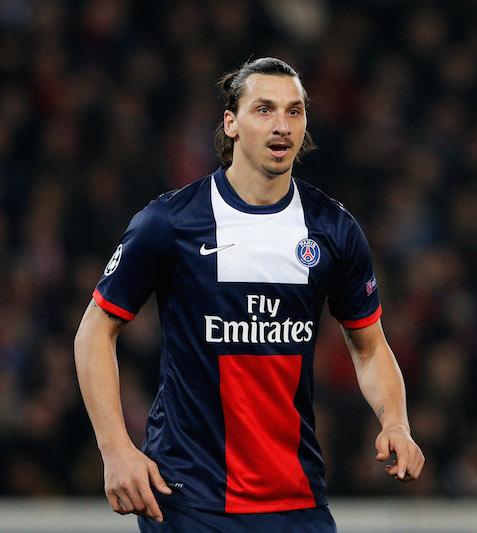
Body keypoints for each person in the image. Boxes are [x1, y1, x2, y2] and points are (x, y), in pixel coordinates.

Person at [74, 57, 424, 532]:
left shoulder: (333, 229)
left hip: (296, 500)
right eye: (264, 109)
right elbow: (95, 332)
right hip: (189, 500)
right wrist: (115, 449)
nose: (282, 125)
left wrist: (396, 422)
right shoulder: (171, 223)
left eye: (294, 111)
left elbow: (369, 347)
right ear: (231, 123)